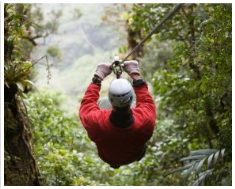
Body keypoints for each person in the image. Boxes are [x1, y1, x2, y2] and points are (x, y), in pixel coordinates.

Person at [79, 60, 156, 168]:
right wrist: (135, 74)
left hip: (107, 156)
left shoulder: (96, 123)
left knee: (102, 102)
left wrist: (99, 75)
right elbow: (146, 100)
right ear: (131, 98)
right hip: (133, 155)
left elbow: (87, 103)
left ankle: (114, 163)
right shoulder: (145, 121)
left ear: (111, 100)